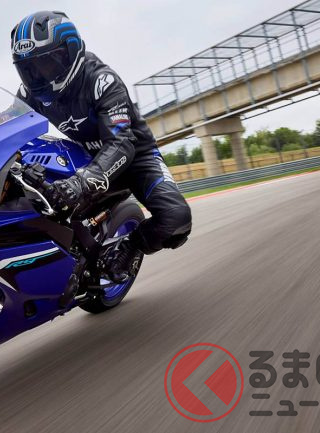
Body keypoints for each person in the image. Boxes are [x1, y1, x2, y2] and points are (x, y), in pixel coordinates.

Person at [11, 11, 192, 282]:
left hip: (135, 158)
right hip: (84, 156)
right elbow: (8, 124)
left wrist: (81, 183)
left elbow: (121, 142)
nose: (39, 75)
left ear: (70, 52)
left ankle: (132, 246)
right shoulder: (31, 92)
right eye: (30, 69)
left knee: (176, 219)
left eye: (46, 64)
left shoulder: (101, 81)